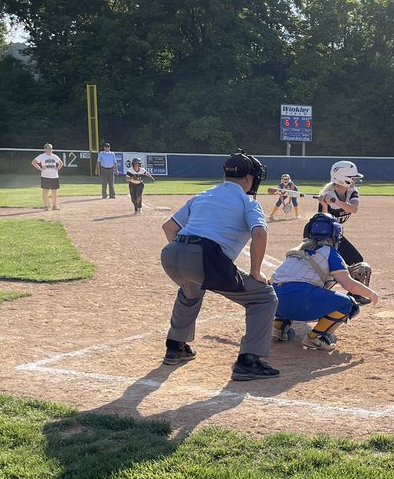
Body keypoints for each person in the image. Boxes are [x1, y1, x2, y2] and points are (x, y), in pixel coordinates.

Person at [159, 150, 279, 381]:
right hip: (205, 257)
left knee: (190, 290)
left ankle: (175, 347)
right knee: (264, 298)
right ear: (249, 178)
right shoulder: (248, 202)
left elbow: (169, 228)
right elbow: (260, 233)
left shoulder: (203, 195)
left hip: (171, 254)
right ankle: (249, 361)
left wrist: (185, 254)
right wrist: (255, 271)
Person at [270, 213, 379, 349]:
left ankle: (278, 327)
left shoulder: (295, 250)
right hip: (300, 301)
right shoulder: (329, 252)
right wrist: (371, 294)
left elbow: (276, 279)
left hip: (272, 303)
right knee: (348, 304)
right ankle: (316, 337)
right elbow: (349, 284)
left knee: (290, 289)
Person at [318, 160, 374, 303]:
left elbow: (353, 209)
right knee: (326, 267)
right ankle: (317, 292)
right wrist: (324, 204)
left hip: (336, 235)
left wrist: (336, 201)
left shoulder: (351, 193)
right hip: (322, 236)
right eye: (352, 178)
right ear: (342, 179)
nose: (355, 180)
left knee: (357, 262)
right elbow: (324, 220)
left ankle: (355, 295)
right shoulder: (327, 194)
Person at [31, 143, 64, 211]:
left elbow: (61, 163)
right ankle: (45, 206)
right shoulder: (42, 156)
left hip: (54, 176)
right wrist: (40, 168)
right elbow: (33, 162)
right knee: (45, 191)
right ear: (45, 149)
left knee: (54, 192)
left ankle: (54, 206)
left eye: (50, 148)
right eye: (48, 148)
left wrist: (58, 168)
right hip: (45, 176)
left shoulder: (54, 156)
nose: (49, 150)